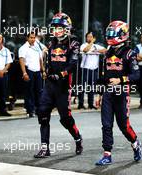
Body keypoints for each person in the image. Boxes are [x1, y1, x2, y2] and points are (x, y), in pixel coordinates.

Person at [34, 12, 83, 158]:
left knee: (65, 119)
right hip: (50, 84)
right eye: (54, 27)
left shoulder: (73, 42)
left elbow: (73, 65)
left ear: (67, 28)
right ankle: (45, 148)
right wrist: (45, 70)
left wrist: (60, 74)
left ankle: (78, 138)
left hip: (63, 86)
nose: (56, 30)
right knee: (42, 113)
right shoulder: (50, 43)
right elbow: (47, 61)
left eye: (60, 27)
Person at [95, 20, 142, 166]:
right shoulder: (107, 53)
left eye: (112, 33)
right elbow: (104, 77)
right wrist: (100, 94)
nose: (109, 36)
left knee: (124, 126)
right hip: (108, 93)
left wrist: (121, 80)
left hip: (122, 93)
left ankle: (135, 144)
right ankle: (107, 154)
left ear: (122, 34)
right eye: (108, 33)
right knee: (106, 124)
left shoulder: (130, 53)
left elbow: (136, 75)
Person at [19, 32, 46, 118]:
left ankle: (38, 110)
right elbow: (21, 60)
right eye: (31, 37)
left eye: (34, 37)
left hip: (37, 71)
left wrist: (43, 70)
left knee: (39, 91)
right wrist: (24, 73)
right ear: (27, 38)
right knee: (29, 92)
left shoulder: (37, 47)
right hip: (29, 71)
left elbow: (40, 59)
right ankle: (30, 110)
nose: (33, 39)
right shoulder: (23, 48)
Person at [78, 31, 107, 110]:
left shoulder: (96, 46)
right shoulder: (83, 45)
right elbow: (85, 50)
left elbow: (105, 50)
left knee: (92, 87)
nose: (89, 38)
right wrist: (92, 44)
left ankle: (91, 104)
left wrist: (96, 51)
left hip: (94, 69)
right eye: (88, 37)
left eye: (91, 37)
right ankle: (80, 104)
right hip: (85, 69)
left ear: (94, 37)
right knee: (83, 87)